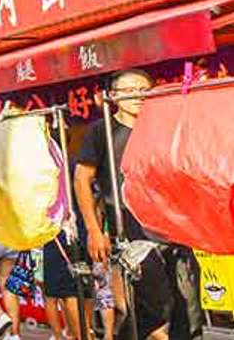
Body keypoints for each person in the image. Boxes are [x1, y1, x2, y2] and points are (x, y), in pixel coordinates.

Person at [75, 70, 205, 340]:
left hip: (175, 229)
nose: (136, 94)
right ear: (114, 96)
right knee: (157, 306)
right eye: (128, 89)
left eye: (143, 88)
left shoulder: (164, 129)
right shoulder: (102, 132)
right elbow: (81, 179)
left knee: (188, 310)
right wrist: (94, 230)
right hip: (134, 233)